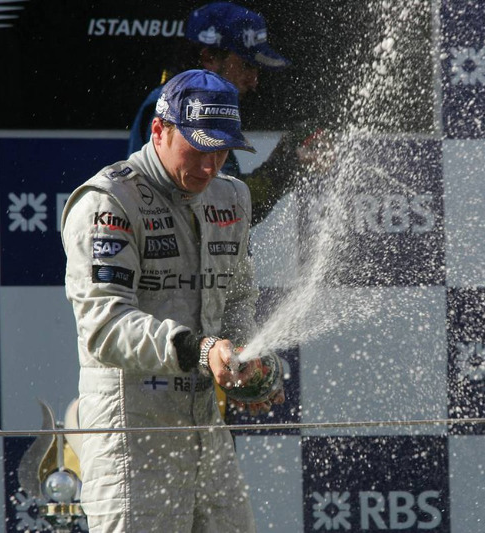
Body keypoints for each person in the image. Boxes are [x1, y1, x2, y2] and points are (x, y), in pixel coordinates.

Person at [62, 69, 283, 532]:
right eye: (199, 149)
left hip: (205, 428)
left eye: (222, 151)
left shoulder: (232, 196)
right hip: (130, 436)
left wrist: (247, 364)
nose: (210, 166)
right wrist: (201, 351)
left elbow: (238, 299)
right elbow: (105, 326)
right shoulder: (109, 200)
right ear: (159, 130)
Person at [128, 1, 322, 227]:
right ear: (209, 57)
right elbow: (224, 209)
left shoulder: (188, 104)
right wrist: (290, 161)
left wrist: (288, 157)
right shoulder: (178, 107)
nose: (254, 81)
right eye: (246, 66)